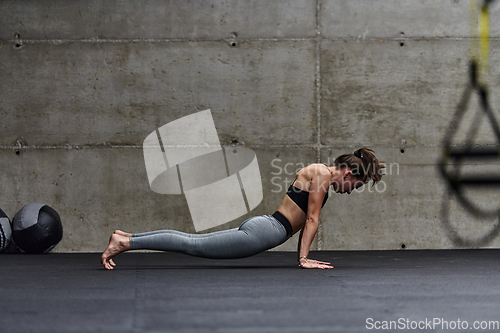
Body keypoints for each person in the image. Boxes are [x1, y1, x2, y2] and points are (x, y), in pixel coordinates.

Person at [101, 147, 384, 270]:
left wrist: (303, 256)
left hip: (265, 227)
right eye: (355, 186)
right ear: (348, 175)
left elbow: (308, 220)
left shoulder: (319, 173)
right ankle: (127, 241)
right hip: (264, 233)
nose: (350, 191)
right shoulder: (322, 173)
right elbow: (311, 219)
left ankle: (128, 238)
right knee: (193, 245)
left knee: (194, 242)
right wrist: (303, 259)